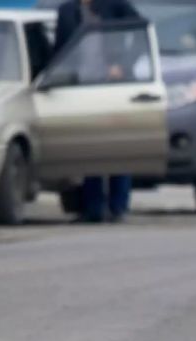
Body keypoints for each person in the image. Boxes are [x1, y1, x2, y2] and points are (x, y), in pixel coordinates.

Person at [53, 0, 141, 223]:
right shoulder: (67, 11)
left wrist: (124, 63)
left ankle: (118, 206)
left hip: (112, 86)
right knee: (88, 148)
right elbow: (59, 48)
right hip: (80, 88)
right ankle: (92, 208)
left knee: (118, 146)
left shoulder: (115, 5)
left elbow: (141, 29)